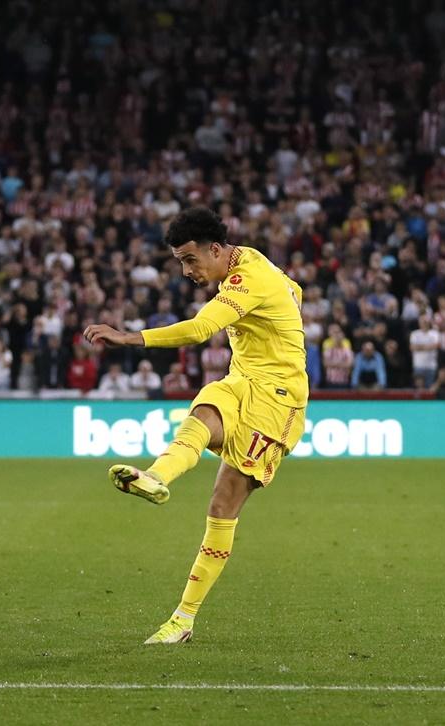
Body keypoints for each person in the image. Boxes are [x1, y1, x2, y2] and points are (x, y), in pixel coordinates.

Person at [84, 207, 308, 645]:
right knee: (204, 408)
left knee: (222, 506)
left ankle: (184, 618)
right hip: (242, 381)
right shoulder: (251, 265)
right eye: (180, 262)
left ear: (218, 250)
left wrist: (131, 338)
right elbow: (294, 290)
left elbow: (203, 328)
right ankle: (154, 476)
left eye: (191, 260)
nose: (187, 271)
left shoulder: (249, 278)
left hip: (278, 401)